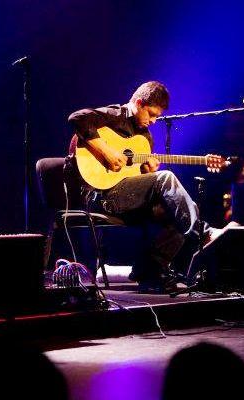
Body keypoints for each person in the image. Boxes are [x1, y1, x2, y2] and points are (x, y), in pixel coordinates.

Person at [67, 81, 230, 292]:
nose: (154, 121)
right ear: (139, 103)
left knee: (179, 210)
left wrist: (148, 171)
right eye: (151, 114)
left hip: (128, 199)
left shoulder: (145, 138)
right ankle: (205, 233)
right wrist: (105, 151)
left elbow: (137, 179)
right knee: (167, 178)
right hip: (102, 196)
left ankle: (149, 272)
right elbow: (77, 118)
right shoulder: (115, 115)